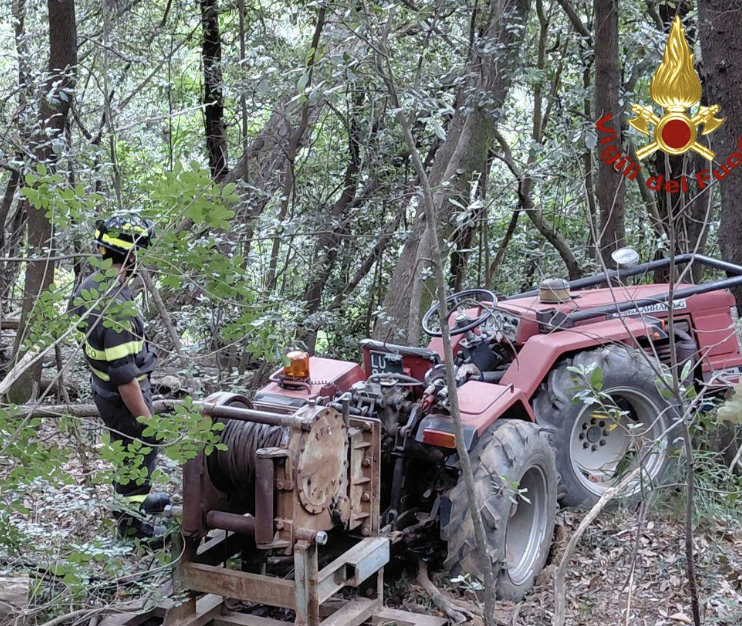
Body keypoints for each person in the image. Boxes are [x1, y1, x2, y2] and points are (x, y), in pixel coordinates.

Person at [71, 215, 169, 543]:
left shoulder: (90, 286)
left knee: (126, 452)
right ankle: (133, 528)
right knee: (138, 450)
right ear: (131, 256)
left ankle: (133, 504)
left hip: (102, 390)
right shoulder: (116, 310)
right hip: (122, 396)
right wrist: (147, 421)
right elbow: (125, 378)